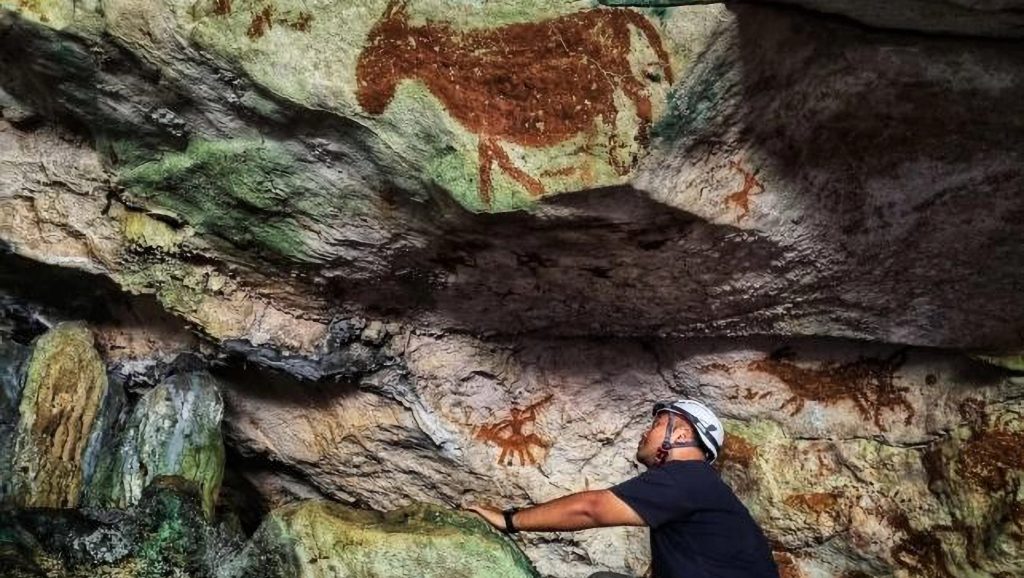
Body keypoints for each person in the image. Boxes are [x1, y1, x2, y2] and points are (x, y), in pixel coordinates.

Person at [468, 399, 780, 578]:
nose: (647, 432)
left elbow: (591, 509)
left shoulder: (687, 477)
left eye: (657, 424)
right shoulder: (698, 484)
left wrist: (508, 520)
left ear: (682, 434)